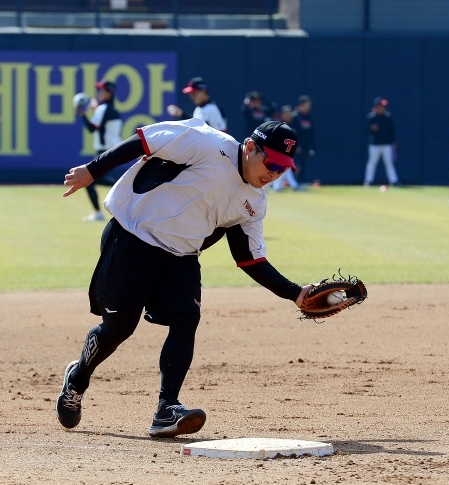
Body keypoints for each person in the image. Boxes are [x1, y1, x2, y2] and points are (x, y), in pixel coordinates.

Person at [57, 118, 315, 438]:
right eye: (271, 162)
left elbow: (250, 259)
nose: (275, 173)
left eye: (284, 168)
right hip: (133, 237)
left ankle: (167, 408)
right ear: (250, 147)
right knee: (119, 328)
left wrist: (295, 293)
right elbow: (146, 140)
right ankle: (77, 378)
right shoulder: (207, 143)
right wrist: (93, 170)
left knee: (186, 317)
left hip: (181, 257)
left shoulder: (254, 203)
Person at [77, 79, 123, 221]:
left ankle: (99, 212)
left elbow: (91, 129)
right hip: (113, 150)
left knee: (89, 180)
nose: (98, 93)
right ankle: (124, 191)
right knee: (95, 179)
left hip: (106, 151)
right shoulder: (111, 109)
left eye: (101, 90)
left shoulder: (103, 109)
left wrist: (83, 113)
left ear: (109, 93)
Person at [363, 97, 400, 187]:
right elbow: (366, 130)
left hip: (386, 144)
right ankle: (368, 181)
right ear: (376, 106)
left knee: (389, 163)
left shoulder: (388, 117)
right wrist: (372, 128)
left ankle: (394, 181)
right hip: (374, 145)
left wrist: (393, 142)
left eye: (384, 106)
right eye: (381, 106)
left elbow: (392, 131)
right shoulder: (371, 117)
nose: (383, 108)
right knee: (372, 163)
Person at [271, 105, 301, 191]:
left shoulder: (293, 124)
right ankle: (287, 185)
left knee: (285, 167)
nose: (289, 115)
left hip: (286, 151)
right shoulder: (277, 124)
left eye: (290, 113)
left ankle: (280, 186)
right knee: (283, 166)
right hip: (275, 150)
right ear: (282, 114)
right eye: (287, 114)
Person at [290, 95, 316, 182]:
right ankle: (294, 183)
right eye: (307, 105)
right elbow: (292, 132)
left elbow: (311, 133)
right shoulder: (295, 117)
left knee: (302, 164)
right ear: (301, 104)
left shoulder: (308, 117)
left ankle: (299, 182)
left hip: (306, 145)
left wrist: (312, 145)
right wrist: (296, 145)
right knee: (294, 164)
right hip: (296, 146)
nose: (309, 107)